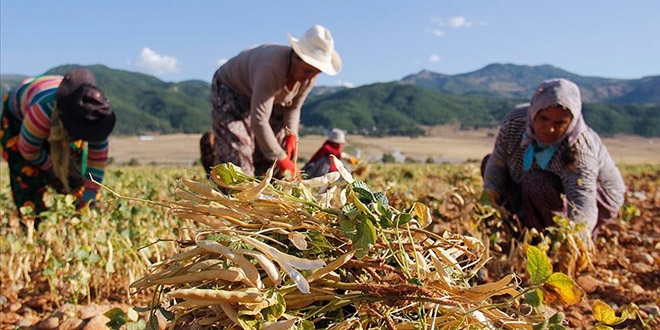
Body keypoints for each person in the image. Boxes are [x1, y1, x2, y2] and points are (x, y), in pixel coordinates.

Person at [481, 78, 625, 241]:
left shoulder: (579, 149)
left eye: (560, 122)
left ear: (572, 122)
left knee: (537, 182)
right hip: (541, 185)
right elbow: (497, 163)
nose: (550, 129)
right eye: (543, 118)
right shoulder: (515, 122)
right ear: (534, 112)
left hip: (598, 197)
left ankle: (547, 239)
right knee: (489, 163)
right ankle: (520, 231)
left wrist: (574, 239)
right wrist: (489, 206)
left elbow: (582, 201)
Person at [200, 24, 342, 179]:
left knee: (274, 149)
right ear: (295, 57)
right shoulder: (271, 68)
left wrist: (292, 135)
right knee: (239, 152)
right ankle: (234, 190)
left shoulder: (309, 77)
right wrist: (280, 157)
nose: (310, 77)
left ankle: (266, 191)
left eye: (316, 73)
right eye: (307, 71)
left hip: (268, 99)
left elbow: (293, 108)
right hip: (232, 90)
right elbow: (259, 121)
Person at [1, 68, 116, 225]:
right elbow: (28, 150)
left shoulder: (96, 115)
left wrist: (89, 197)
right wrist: (54, 170)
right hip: (19, 116)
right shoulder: (42, 110)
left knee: (75, 169)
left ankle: (76, 215)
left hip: (62, 112)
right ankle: (34, 223)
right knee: (26, 171)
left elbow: (96, 162)